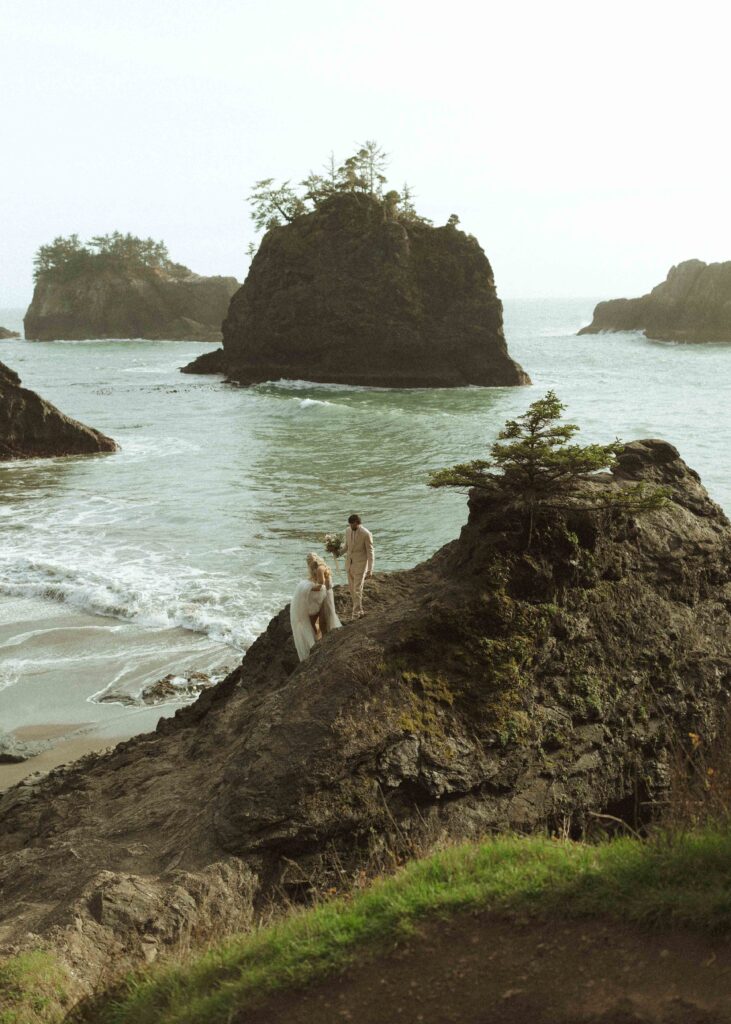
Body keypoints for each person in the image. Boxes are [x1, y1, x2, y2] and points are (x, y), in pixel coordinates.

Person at [290, 552, 341, 661]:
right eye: (309, 562)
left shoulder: (320, 568)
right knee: (318, 618)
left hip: (326, 594)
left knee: (324, 619)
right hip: (326, 593)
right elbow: (317, 582)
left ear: (316, 558)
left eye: (312, 560)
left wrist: (305, 588)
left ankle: (324, 642)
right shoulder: (317, 568)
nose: (311, 563)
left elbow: (320, 585)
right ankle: (320, 640)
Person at [343, 514, 374, 620]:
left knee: (357, 589)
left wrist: (370, 569)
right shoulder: (347, 531)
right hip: (349, 564)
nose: (350, 526)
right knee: (352, 590)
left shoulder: (366, 534)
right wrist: (337, 552)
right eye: (349, 524)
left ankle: (355, 614)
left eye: (352, 524)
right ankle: (360, 610)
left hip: (361, 565)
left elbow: (370, 553)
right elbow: (346, 547)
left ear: (357, 522)